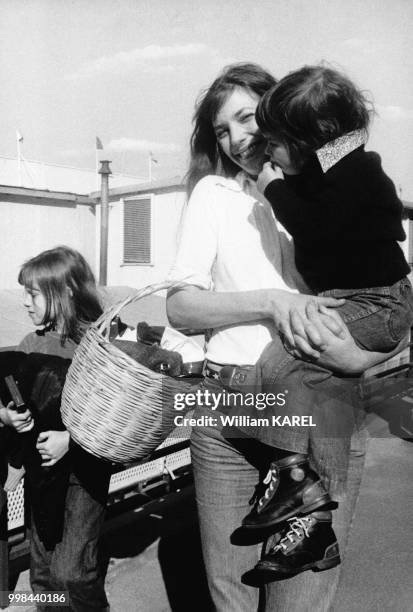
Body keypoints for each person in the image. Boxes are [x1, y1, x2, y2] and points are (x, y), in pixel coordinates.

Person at [167, 63, 404, 611]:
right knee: (231, 598)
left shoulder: (331, 189)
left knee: (299, 599)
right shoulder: (214, 195)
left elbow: (378, 302)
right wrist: (274, 302)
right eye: (222, 130)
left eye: (248, 119)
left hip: (319, 411)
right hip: (229, 409)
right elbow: (180, 307)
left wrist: (371, 345)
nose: (237, 139)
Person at [224, 64, 413, 575]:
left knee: (283, 366)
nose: (267, 151)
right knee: (300, 383)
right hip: (364, 298)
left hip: (376, 302)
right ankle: (313, 520)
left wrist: (271, 187)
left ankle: (295, 484)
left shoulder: (351, 172)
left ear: (313, 140)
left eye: (276, 142)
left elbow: (313, 222)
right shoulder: (333, 167)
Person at [0, 246, 110, 612]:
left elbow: (112, 414)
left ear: (63, 293)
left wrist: (71, 440)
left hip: (83, 476)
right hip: (40, 476)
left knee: (74, 574)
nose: (26, 304)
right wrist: (11, 416)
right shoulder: (30, 343)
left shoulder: (96, 346)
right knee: (44, 575)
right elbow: (15, 390)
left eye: (33, 294)